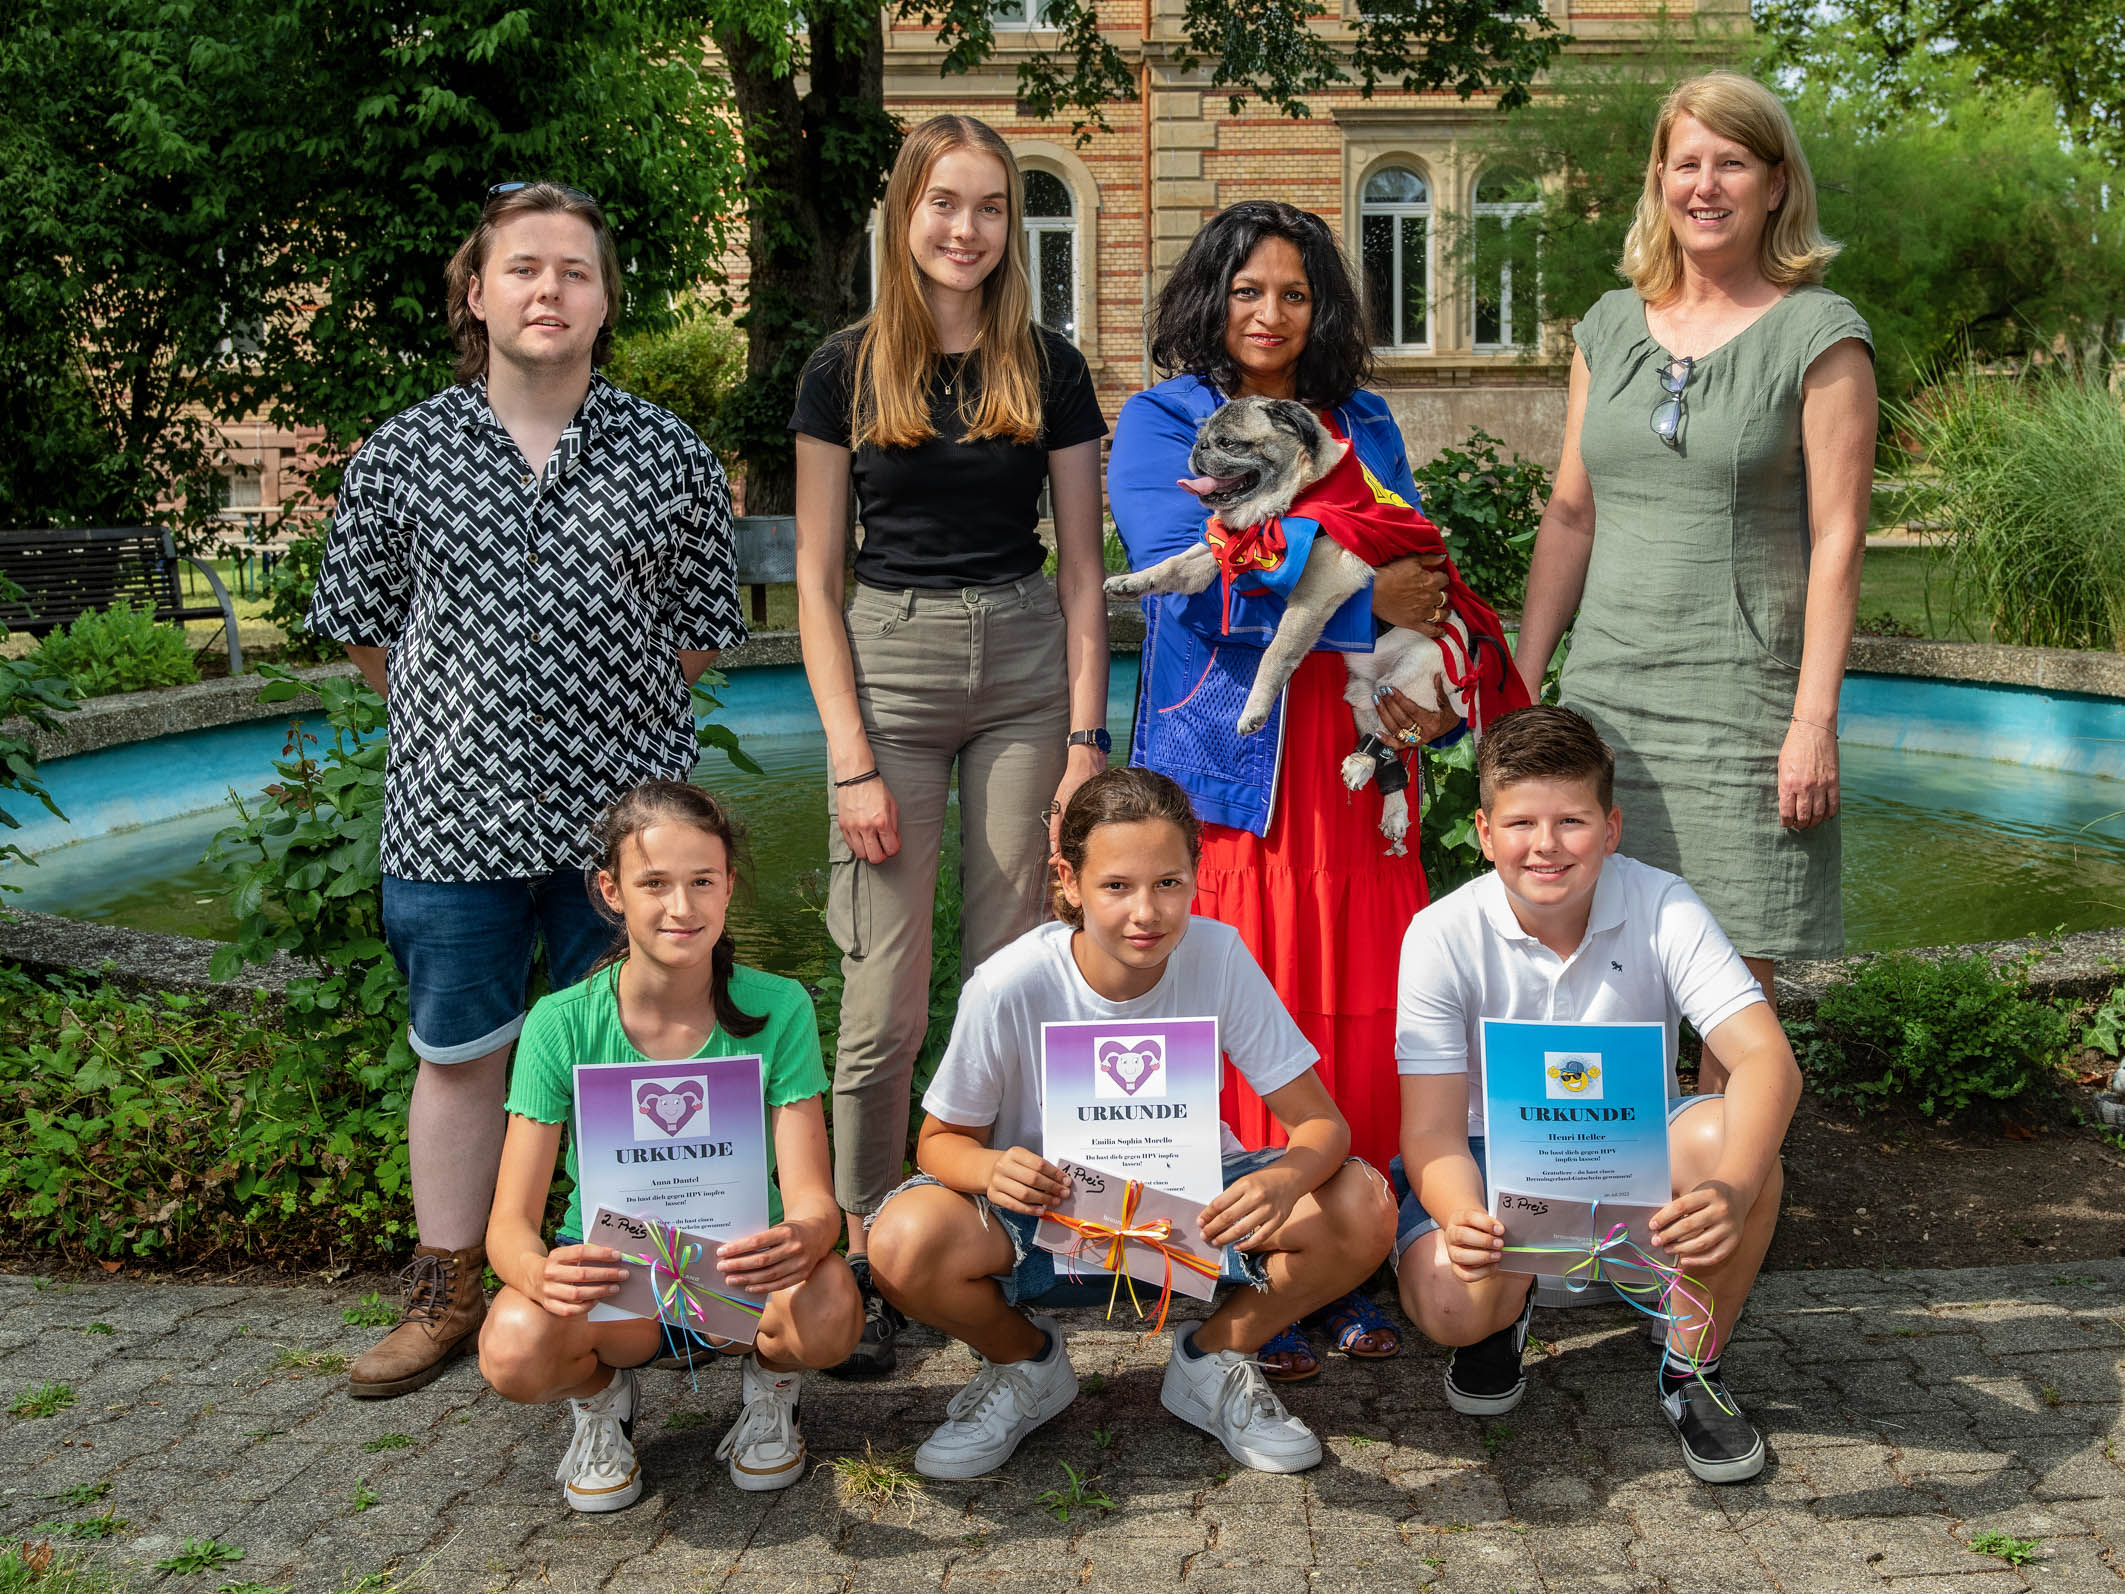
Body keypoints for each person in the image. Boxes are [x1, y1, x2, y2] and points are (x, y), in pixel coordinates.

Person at [307, 181, 747, 1398]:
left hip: (627, 827)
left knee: (633, 1055)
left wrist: (595, 713)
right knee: (458, 1057)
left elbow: (703, 631)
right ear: (477, 293)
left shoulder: (668, 454)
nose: (546, 290)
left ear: (605, 300)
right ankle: (451, 1287)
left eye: (572, 271)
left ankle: (647, 1281)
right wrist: (470, 722)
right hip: (454, 819)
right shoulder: (403, 454)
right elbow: (364, 633)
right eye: (522, 269)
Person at [1107, 199, 1527, 1378]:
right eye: (1247, 291)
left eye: (1292, 292)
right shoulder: (1160, 420)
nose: (1269, 313)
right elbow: (1185, 580)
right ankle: (1258, 1266)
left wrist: (1384, 620)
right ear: (1211, 298)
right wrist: (1355, 601)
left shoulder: (1364, 418)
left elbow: (1413, 559)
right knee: (1250, 990)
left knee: (1359, 994)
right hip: (1227, 766)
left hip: (1351, 755)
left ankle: (1357, 1254)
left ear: (1321, 306)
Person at [790, 115, 1111, 1374]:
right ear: (903, 215)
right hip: (892, 665)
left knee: (1014, 967)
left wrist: (1087, 740)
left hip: (1029, 661)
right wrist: (849, 756)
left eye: (988, 206)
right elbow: (817, 580)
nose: (965, 228)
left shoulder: (1052, 365)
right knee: (880, 992)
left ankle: (1006, 1233)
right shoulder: (842, 368)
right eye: (943, 204)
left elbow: (1086, 570)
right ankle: (867, 1246)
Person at [864, 767, 1396, 1478]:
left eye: (1168, 883)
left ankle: (1213, 1362)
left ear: (1195, 877)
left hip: (1195, 1214)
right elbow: (937, 1145)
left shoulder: (1217, 955)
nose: (1145, 912)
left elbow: (1321, 1126)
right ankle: (1025, 1367)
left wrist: (1284, 1181)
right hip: (1053, 1214)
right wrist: (992, 1168)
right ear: (1069, 880)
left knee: (1360, 1203)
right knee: (900, 1240)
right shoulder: (1008, 984)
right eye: (1116, 886)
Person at [1513, 73, 1877, 1087]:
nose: (1704, 185)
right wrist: (1520, 678)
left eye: (1730, 163)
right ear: (1658, 181)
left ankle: (1718, 1221)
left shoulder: (1820, 334)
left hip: (1742, 706)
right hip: (1608, 699)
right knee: (1598, 970)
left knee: (1732, 1005)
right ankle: (1605, 1214)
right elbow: (1571, 513)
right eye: (1686, 163)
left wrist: (1813, 721)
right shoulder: (1607, 327)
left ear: (1773, 183)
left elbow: (1839, 538)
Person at [1392, 706, 1799, 1483]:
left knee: (1730, 1140)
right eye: (1519, 823)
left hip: (1631, 1156)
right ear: (1483, 832)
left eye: (1571, 820)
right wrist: (1457, 1216)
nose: (1544, 846)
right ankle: (1497, 1320)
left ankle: (1691, 1369)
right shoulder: (1438, 933)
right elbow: (1432, 1132)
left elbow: (1767, 1063)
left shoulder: (1663, 902)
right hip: (1496, 1167)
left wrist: (1734, 1188)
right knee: (1449, 1301)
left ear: (1610, 829)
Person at [477, 781, 862, 1511]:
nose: (680, 908)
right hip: (615, 1275)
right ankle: (598, 1398)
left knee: (833, 1306)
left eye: (701, 882)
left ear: (728, 889)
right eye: (654, 883)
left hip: (741, 1272)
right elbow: (507, 1225)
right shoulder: (559, 1024)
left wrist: (807, 1235)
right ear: (610, 890)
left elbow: (814, 1198)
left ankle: (773, 1387)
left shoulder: (778, 1007)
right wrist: (538, 1273)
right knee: (513, 1349)